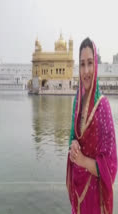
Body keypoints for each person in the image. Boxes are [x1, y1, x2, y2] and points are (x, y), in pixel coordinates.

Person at [66, 38, 117, 214]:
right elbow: (73, 137)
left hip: (95, 199)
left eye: (90, 63)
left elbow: (110, 166)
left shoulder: (102, 106)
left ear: (96, 65)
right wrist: (72, 146)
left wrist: (82, 161)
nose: (86, 71)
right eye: (82, 64)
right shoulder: (77, 101)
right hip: (78, 194)